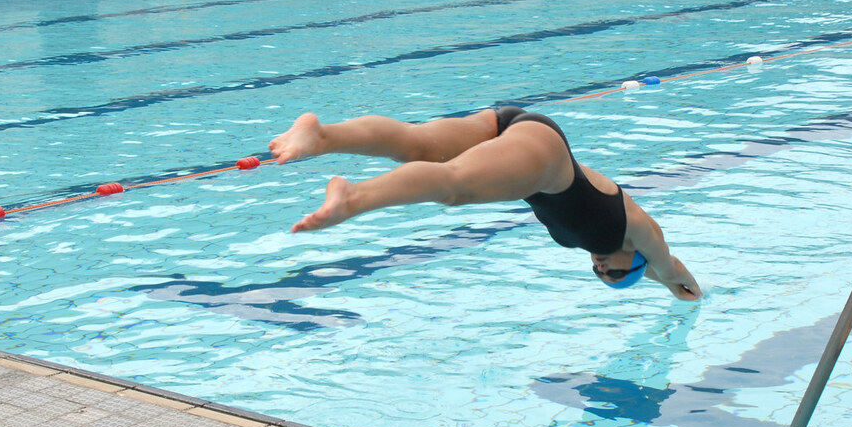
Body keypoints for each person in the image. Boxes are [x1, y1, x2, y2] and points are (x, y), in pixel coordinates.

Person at [269, 106, 702, 301]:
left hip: (514, 128)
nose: (602, 267)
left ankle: (321, 136)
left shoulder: (605, 241)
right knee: (455, 187)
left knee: (419, 145)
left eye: (600, 274)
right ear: (639, 261)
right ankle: (354, 197)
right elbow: (670, 266)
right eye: (618, 272)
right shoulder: (635, 231)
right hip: (543, 155)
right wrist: (679, 286)